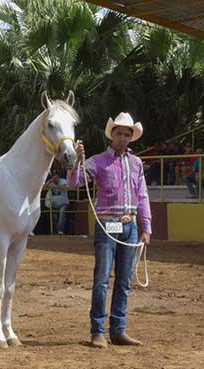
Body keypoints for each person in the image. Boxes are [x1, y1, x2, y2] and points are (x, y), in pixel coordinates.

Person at [67, 112, 152, 349]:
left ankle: (118, 330)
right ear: (112, 135)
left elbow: (142, 195)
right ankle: (98, 331)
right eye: (120, 133)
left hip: (130, 225)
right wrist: (76, 161)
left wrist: (146, 226)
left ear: (131, 137)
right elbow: (74, 183)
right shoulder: (97, 161)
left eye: (127, 134)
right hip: (108, 223)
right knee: (102, 279)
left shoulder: (136, 164)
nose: (123, 137)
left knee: (123, 280)